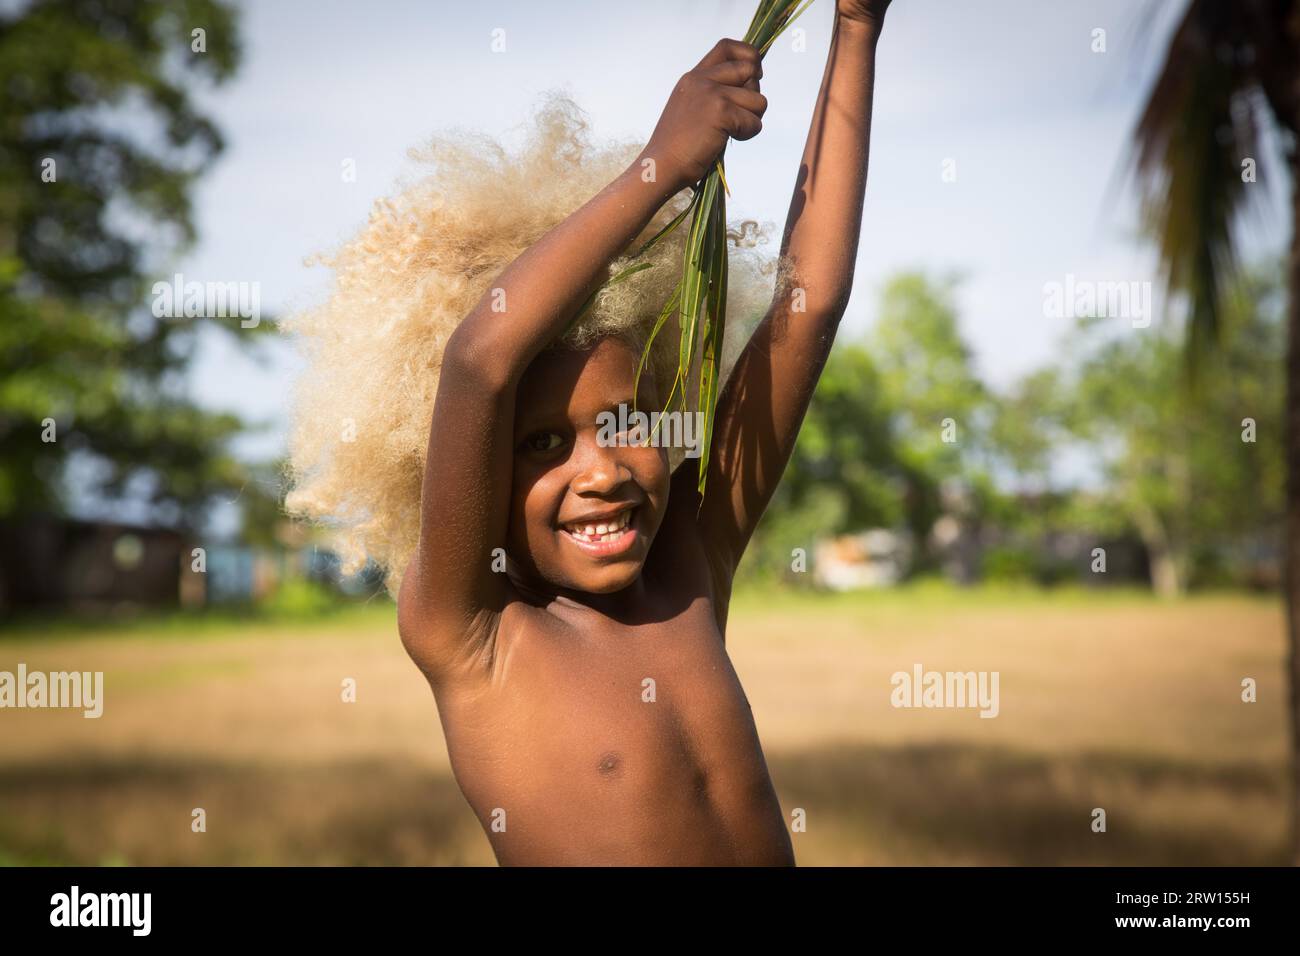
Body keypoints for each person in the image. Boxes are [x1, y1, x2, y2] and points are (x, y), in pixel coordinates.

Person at [285, 0, 892, 865]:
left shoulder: (691, 562)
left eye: (627, 422)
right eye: (542, 445)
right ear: (472, 461)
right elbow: (478, 363)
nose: (601, 471)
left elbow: (811, 300)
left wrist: (857, 28)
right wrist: (660, 168)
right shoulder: (470, 629)